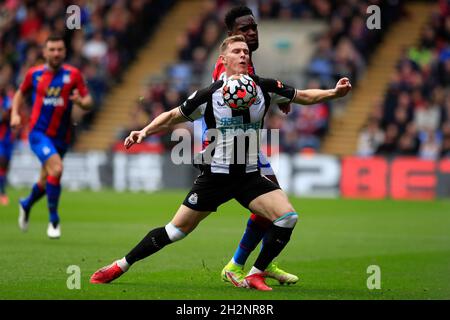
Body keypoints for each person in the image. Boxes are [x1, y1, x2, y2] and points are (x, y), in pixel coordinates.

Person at [90, 35, 351, 291]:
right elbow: (172, 116)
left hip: (248, 176)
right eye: (237, 51)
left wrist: (334, 93)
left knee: (287, 217)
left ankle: (255, 273)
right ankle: (120, 265)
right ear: (222, 59)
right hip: (215, 177)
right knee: (176, 231)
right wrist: (144, 131)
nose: (243, 55)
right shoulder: (208, 95)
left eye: (246, 52)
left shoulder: (264, 87)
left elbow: (304, 96)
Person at [211, 5, 298, 285]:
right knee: (276, 208)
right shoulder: (225, 68)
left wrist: (280, 99)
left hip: (248, 148)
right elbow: (229, 101)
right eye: (243, 30)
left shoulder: (248, 65)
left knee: (275, 208)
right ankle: (241, 265)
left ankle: (255, 263)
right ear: (230, 36)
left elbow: (257, 89)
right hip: (229, 151)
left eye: (253, 27)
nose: (250, 33)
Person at [10, 34, 93, 239]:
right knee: (57, 169)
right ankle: (54, 220)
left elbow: (89, 100)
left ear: (65, 52)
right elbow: (20, 93)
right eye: (52, 49)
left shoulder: (73, 74)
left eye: (60, 50)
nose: (56, 53)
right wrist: (14, 114)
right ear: (45, 52)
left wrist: (80, 102)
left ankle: (26, 203)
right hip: (38, 133)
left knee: (47, 178)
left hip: (62, 137)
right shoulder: (34, 74)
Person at [0, 87, 14, 205]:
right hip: (0, 139)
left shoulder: (8, 99)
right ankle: (2, 193)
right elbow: (4, 115)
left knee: (5, 167)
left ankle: (3, 191)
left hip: (7, 139)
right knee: (2, 163)